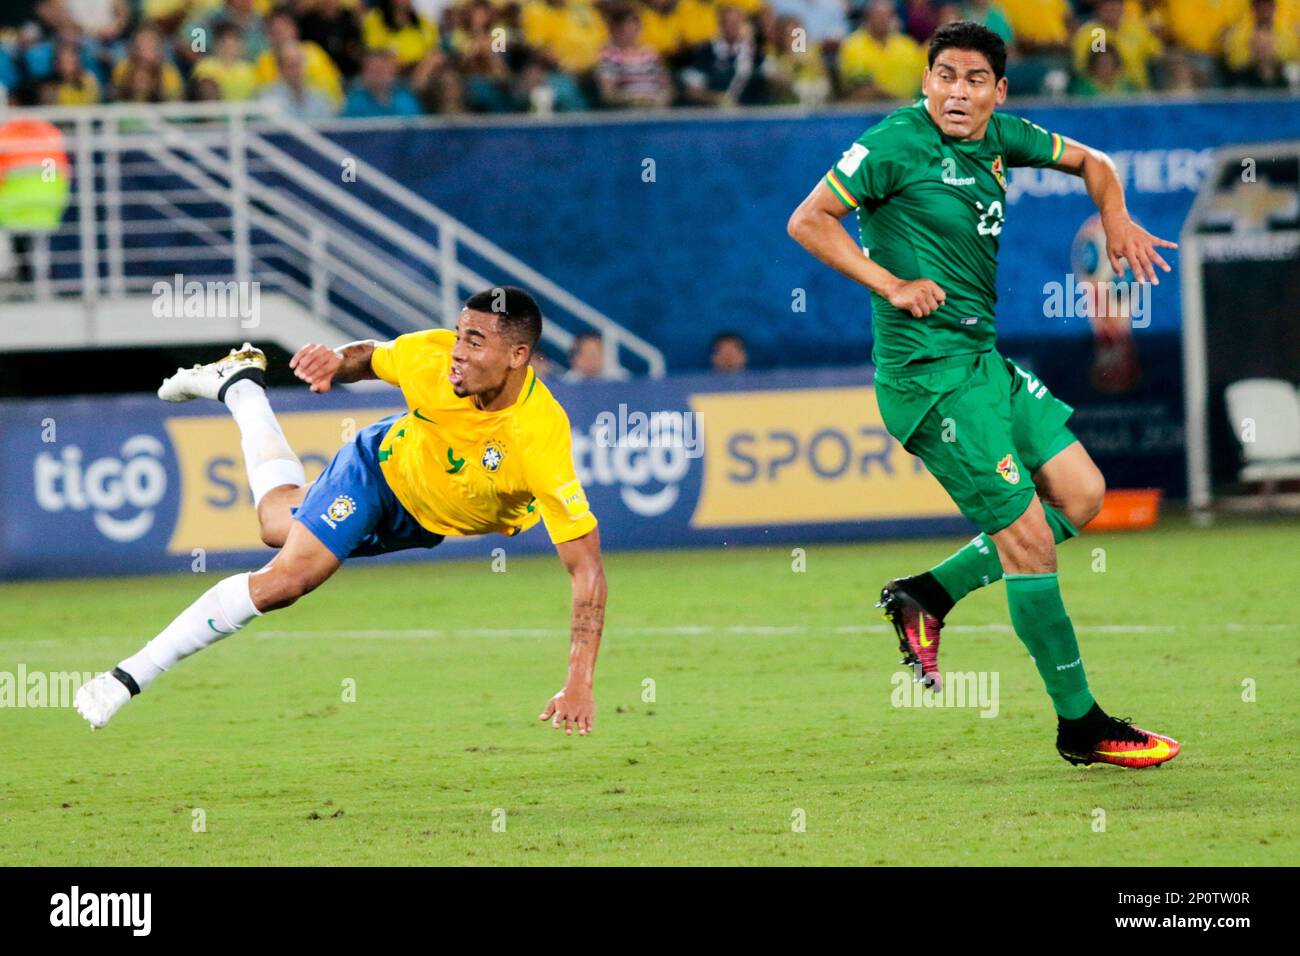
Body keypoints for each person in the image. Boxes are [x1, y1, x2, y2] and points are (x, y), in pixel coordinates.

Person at [786, 20, 1180, 768]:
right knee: (1031, 544)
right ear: (925, 80)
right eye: (944, 76)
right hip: (928, 382)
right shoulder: (893, 145)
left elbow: (1093, 161)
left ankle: (928, 594)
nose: (957, 92)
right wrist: (890, 283)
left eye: (974, 80)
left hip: (983, 362)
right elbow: (809, 221)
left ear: (998, 92)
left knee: (1084, 494)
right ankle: (1082, 726)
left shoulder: (1005, 137)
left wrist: (1115, 214)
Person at [75, 287, 607, 738]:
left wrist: (579, 679)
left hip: (421, 522)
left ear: (517, 356)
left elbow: (587, 569)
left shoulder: (540, 438)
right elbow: (372, 355)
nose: (457, 353)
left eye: (475, 341)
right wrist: (335, 360)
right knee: (288, 578)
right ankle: (127, 677)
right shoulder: (431, 359)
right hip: (376, 468)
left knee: (275, 523)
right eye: (458, 334)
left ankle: (239, 388)